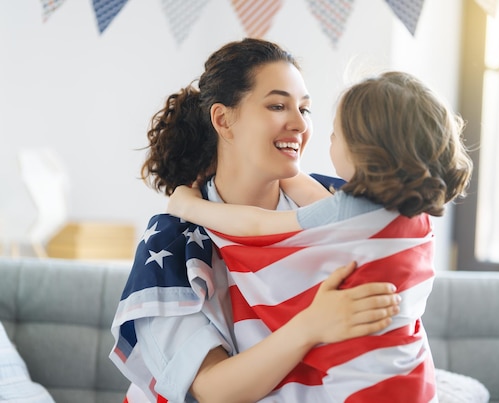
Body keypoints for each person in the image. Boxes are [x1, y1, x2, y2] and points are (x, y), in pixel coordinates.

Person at [109, 38, 402, 403]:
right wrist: (311, 326)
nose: (299, 124)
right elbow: (212, 389)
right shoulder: (174, 244)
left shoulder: (338, 202)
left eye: (305, 109)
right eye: (278, 105)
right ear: (223, 119)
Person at [167, 71, 474, 401]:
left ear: (367, 153)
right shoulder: (416, 219)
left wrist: (187, 204)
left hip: (361, 385)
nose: (325, 139)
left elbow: (254, 225)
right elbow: (302, 186)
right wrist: (274, 164)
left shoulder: (344, 213)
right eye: (277, 106)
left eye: (336, 135)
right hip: (413, 376)